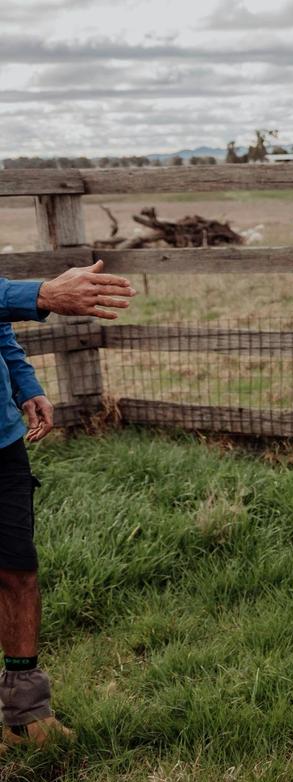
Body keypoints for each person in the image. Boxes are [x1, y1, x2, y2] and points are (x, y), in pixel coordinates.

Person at [0, 260, 134, 751]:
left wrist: (26, 386)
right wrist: (43, 293)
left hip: (2, 442)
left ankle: (25, 717)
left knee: (18, 571)